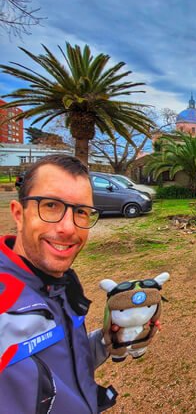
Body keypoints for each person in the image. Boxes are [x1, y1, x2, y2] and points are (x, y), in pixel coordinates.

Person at [0, 154, 116, 413]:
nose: (68, 227)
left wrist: (107, 340)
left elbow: (60, 359)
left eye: (81, 212)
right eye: (51, 205)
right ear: (19, 214)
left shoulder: (59, 285)